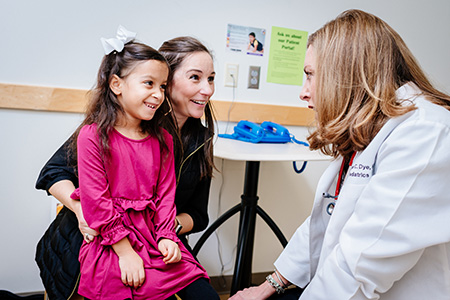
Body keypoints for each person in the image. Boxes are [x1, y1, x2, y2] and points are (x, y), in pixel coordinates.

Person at [231, 9, 450, 300]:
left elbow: (359, 265)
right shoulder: (369, 129)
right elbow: (322, 223)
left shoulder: (425, 131)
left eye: (310, 75)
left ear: (345, 75)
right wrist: (268, 286)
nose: (303, 92)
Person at [35, 29, 219, 299]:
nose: (208, 90)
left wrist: (165, 232)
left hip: (155, 237)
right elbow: (54, 172)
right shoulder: (100, 132)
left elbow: (196, 214)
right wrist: (81, 209)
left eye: (211, 79)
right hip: (98, 237)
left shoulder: (187, 139)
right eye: (195, 78)